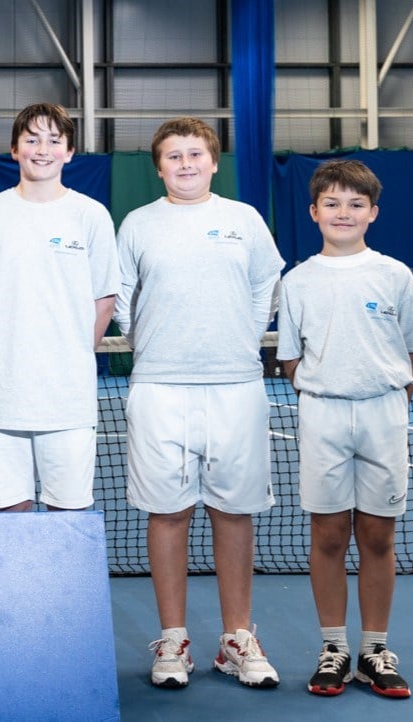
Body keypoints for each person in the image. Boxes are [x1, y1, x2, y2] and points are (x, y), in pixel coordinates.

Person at [114, 117, 284, 689]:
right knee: (167, 512)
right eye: (173, 156)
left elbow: (267, 284)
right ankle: (173, 639)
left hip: (236, 385)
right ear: (158, 166)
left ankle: (238, 637)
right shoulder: (137, 225)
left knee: (233, 512)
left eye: (195, 154)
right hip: (158, 386)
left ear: (213, 161)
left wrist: (241, 335)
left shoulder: (244, 220)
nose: (185, 164)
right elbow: (122, 296)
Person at [276, 159, 413, 699]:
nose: (344, 212)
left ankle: (375, 650)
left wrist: (384, 396)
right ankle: (335, 647)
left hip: (384, 414)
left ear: (373, 214)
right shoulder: (296, 282)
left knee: (378, 536)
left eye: (356, 204)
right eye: (333, 203)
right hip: (323, 416)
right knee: (329, 535)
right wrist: (329, 391)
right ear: (314, 211)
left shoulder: (394, 276)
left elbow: (412, 352)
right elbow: (291, 360)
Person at [0, 102, 118, 512]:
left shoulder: (91, 216)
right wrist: (2, 347)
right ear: (14, 149)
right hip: (0, 400)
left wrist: (71, 352)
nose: (42, 149)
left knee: (68, 518)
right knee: (9, 520)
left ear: (69, 152)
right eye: (32, 140)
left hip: (68, 400)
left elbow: (104, 300)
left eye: (54, 140)